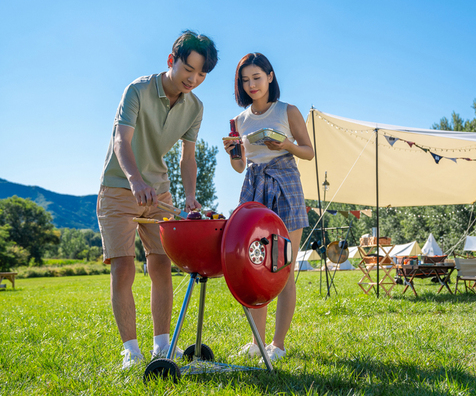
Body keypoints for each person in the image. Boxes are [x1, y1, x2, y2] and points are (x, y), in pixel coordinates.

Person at [97, 31, 219, 369]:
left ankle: (162, 346)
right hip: (120, 186)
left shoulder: (195, 107)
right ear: (171, 61)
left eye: (201, 75)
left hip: (159, 191)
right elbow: (122, 141)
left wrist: (190, 195)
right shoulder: (137, 90)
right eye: (188, 70)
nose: (193, 79)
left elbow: (188, 157)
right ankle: (130, 350)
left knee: (162, 263)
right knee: (123, 268)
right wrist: (135, 179)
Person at [224, 52, 314, 363]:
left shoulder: (288, 111)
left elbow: (309, 151)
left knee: (283, 269)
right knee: (254, 268)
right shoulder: (239, 121)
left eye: (257, 78)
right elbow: (239, 167)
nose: (251, 84)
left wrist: (286, 145)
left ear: (270, 77)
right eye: (245, 80)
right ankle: (256, 343)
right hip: (253, 185)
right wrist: (233, 153)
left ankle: (278, 345)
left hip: (285, 182)